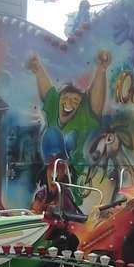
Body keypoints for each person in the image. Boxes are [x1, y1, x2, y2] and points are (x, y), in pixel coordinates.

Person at [27, 49, 110, 220]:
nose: (69, 102)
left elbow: (96, 102)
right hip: (54, 178)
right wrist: (38, 67)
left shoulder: (85, 116)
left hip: (77, 181)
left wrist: (101, 70)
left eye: (75, 100)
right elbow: (48, 91)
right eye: (65, 98)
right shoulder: (54, 108)